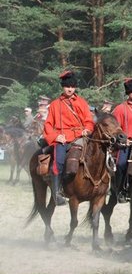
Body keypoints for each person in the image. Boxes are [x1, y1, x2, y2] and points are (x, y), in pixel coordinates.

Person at [43, 71, 95, 206]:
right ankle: (57, 193)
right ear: (63, 87)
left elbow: (89, 121)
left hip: (79, 136)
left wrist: (87, 129)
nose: (70, 89)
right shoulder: (55, 104)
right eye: (67, 86)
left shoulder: (82, 102)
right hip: (62, 138)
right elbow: (48, 124)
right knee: (59, 162)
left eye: (72, 86)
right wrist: (55, 136)